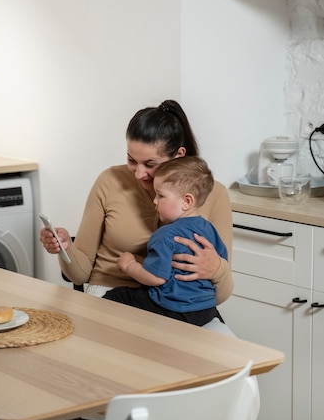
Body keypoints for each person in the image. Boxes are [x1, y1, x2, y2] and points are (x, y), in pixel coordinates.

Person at [40, 99, 233, 306]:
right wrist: (66, 248)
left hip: (178, 304)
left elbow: (220, 296)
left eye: (151, 164)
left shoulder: (215, 194)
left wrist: (217, 270)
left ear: (179, 155)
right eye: (132, 160)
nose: (139, 174)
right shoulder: (110, 181)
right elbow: (80, 275)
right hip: (111, 293)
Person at [103, 156, 228, 326]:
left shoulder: (166, 234)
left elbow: (156, 278)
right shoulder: (209, 229)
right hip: (205, 310)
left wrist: (129, 266)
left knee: (118, 296)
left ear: (187, 201)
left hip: (172, 309)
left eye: (161, 196)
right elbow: (221, 261)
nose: (154, 201)